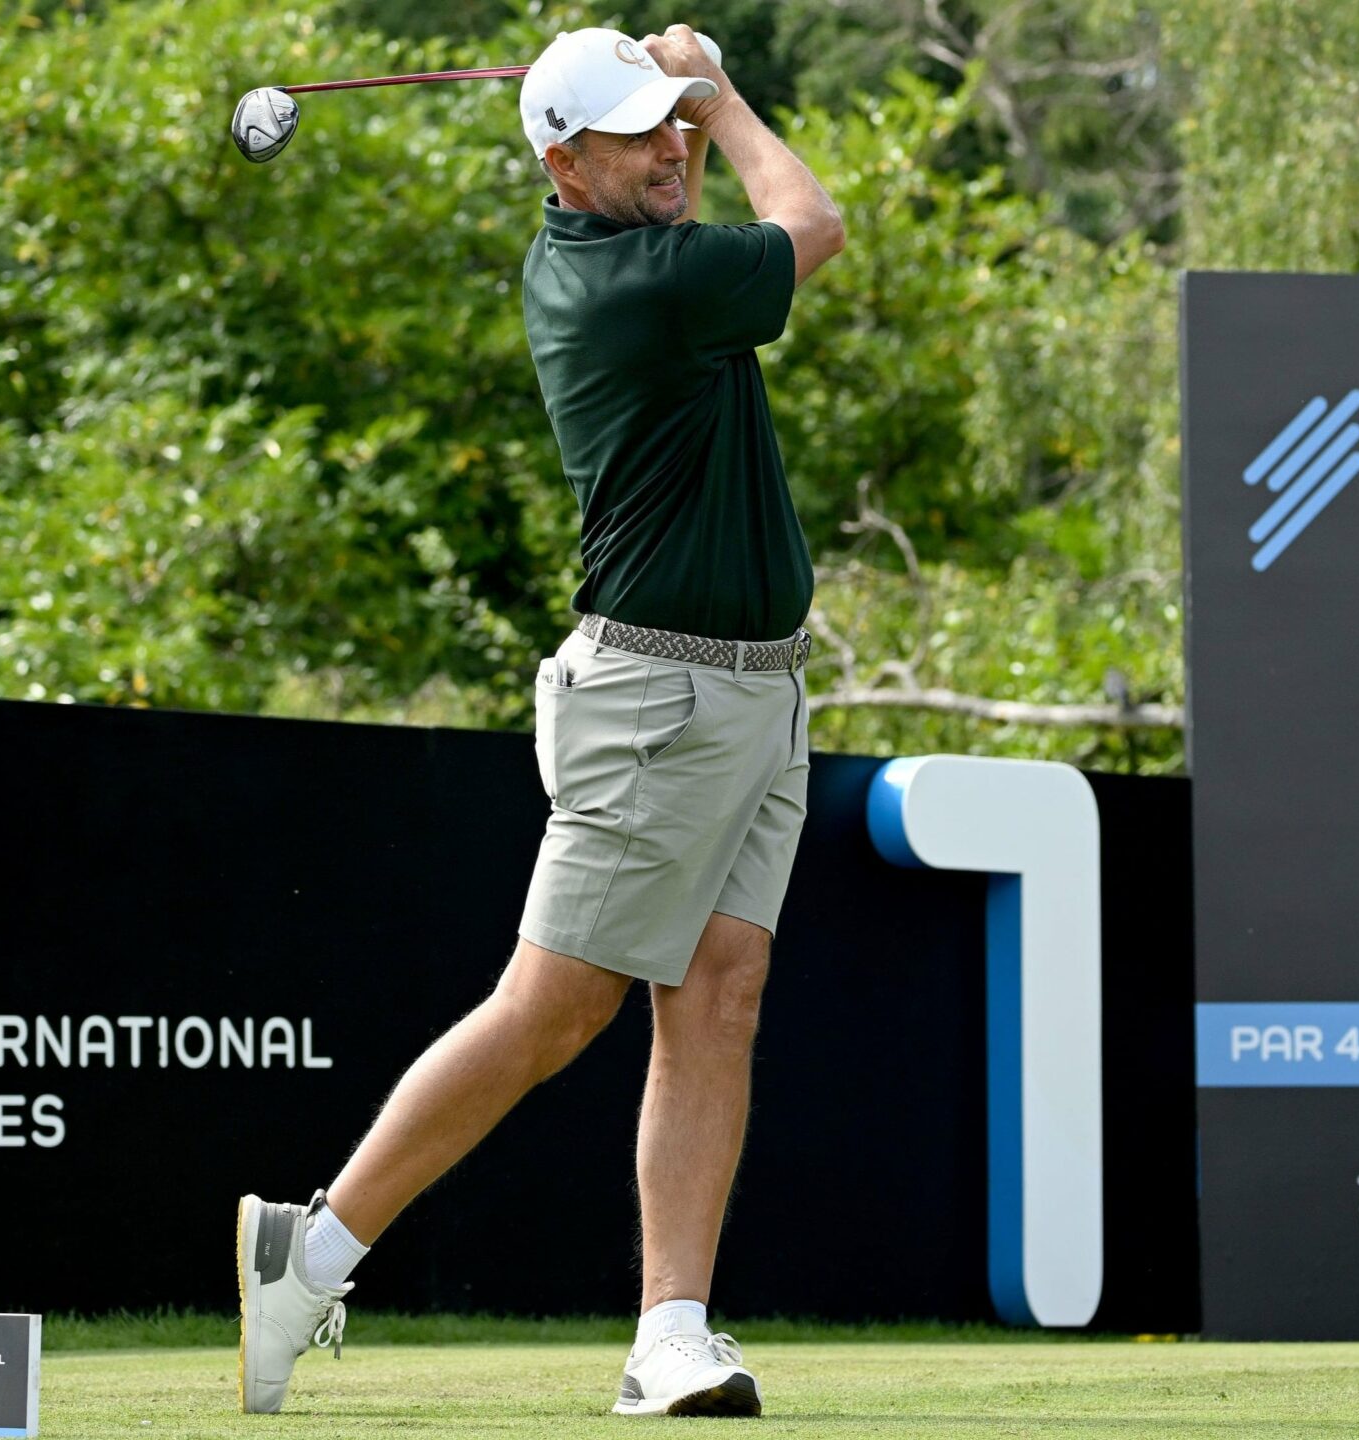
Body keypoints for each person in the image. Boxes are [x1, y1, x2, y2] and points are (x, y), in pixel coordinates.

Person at [235, 23, 844, 1419]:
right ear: (562, 163)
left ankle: (671, 1335)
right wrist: (730, 91)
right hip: (656, 697)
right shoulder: (639, 282)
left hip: (752, 689)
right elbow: (813, 219)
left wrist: (681, 91)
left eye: (680, 125)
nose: (675, 147)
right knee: (555, 1007)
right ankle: (312, 1251)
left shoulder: (646, 254)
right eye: (642, 130)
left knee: (718, 996)